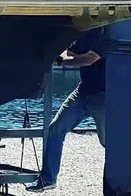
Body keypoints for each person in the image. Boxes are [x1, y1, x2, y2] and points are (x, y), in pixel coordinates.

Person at [26, 27, 107, 192]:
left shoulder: (106, 32)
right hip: (82, 92)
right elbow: (67, 51)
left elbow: (89, 59)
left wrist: (62, 60)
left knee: (110, 144)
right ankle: (48, 179)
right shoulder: (82, 32)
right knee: (55, 129)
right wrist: (58, 54)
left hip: (103, 96)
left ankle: (116, 186)